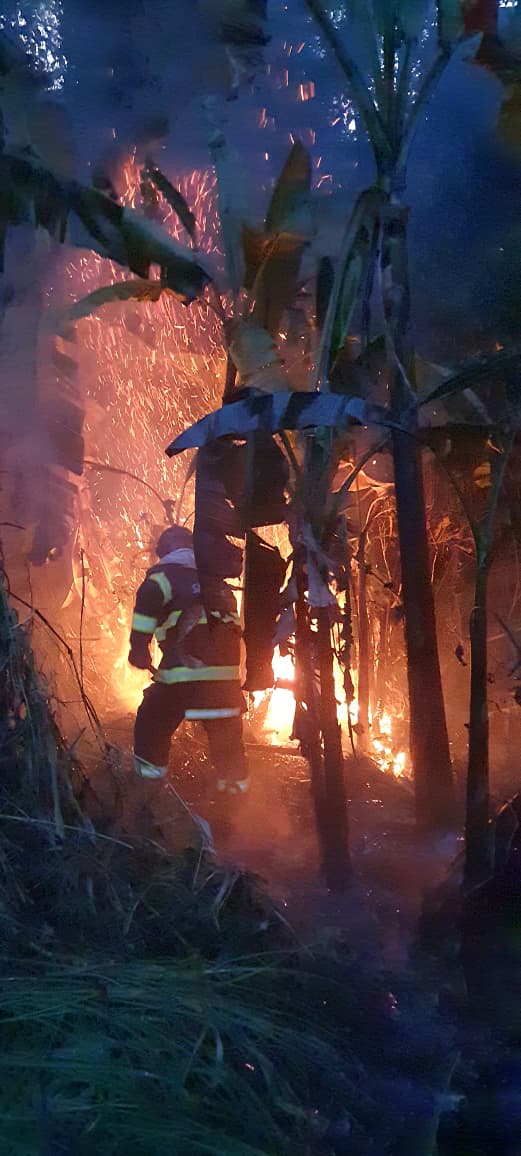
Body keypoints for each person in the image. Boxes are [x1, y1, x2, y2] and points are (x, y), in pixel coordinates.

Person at [128, 524, 249, 795]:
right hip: (225, 687)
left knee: (151, 725)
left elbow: (145, 618)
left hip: (182, 680)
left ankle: (150, 792)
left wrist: (138, 650)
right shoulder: (216, 581)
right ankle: (236, 804)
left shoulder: (160, 579)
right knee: (227, 748)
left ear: (165, 551)